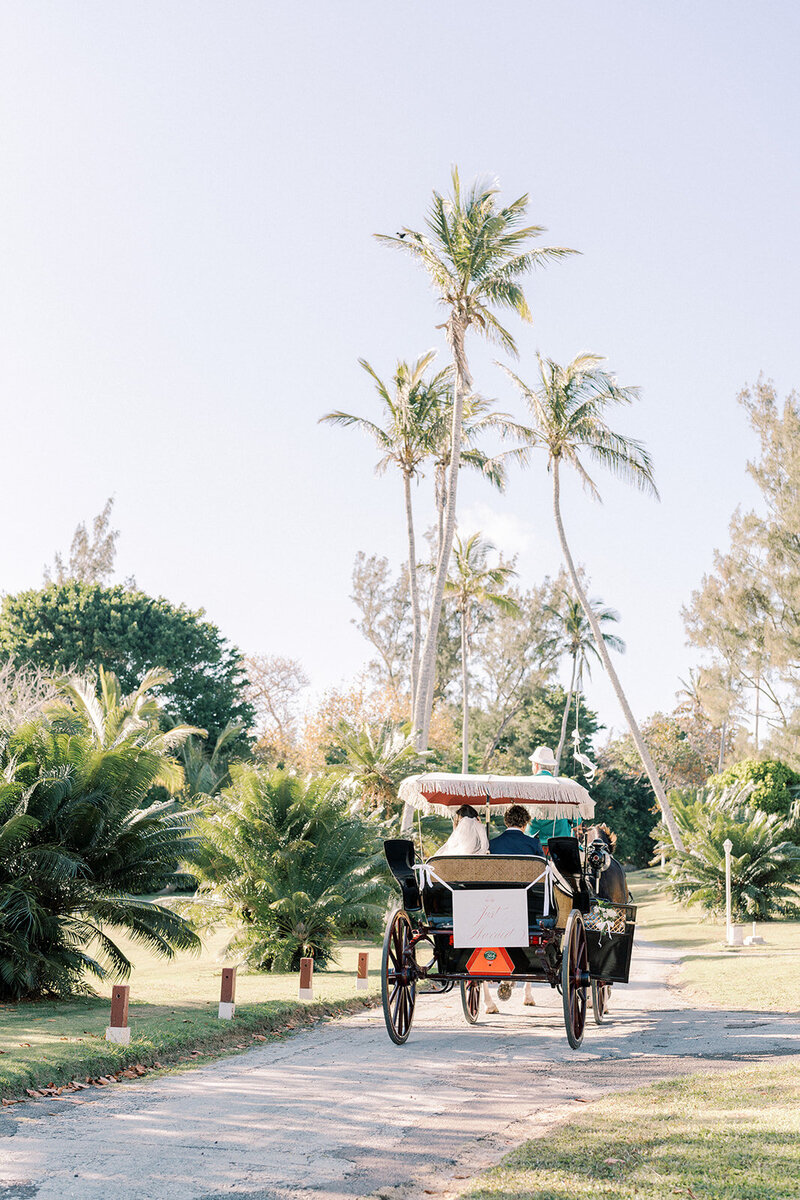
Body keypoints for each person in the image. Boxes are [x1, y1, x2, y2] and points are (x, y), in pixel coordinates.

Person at [525, 745, 577, 850]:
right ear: (551, 767)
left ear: (535, 765)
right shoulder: (566, 788)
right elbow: (577, 821)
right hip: (561, 848)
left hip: (531, 845)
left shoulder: (525, 786)